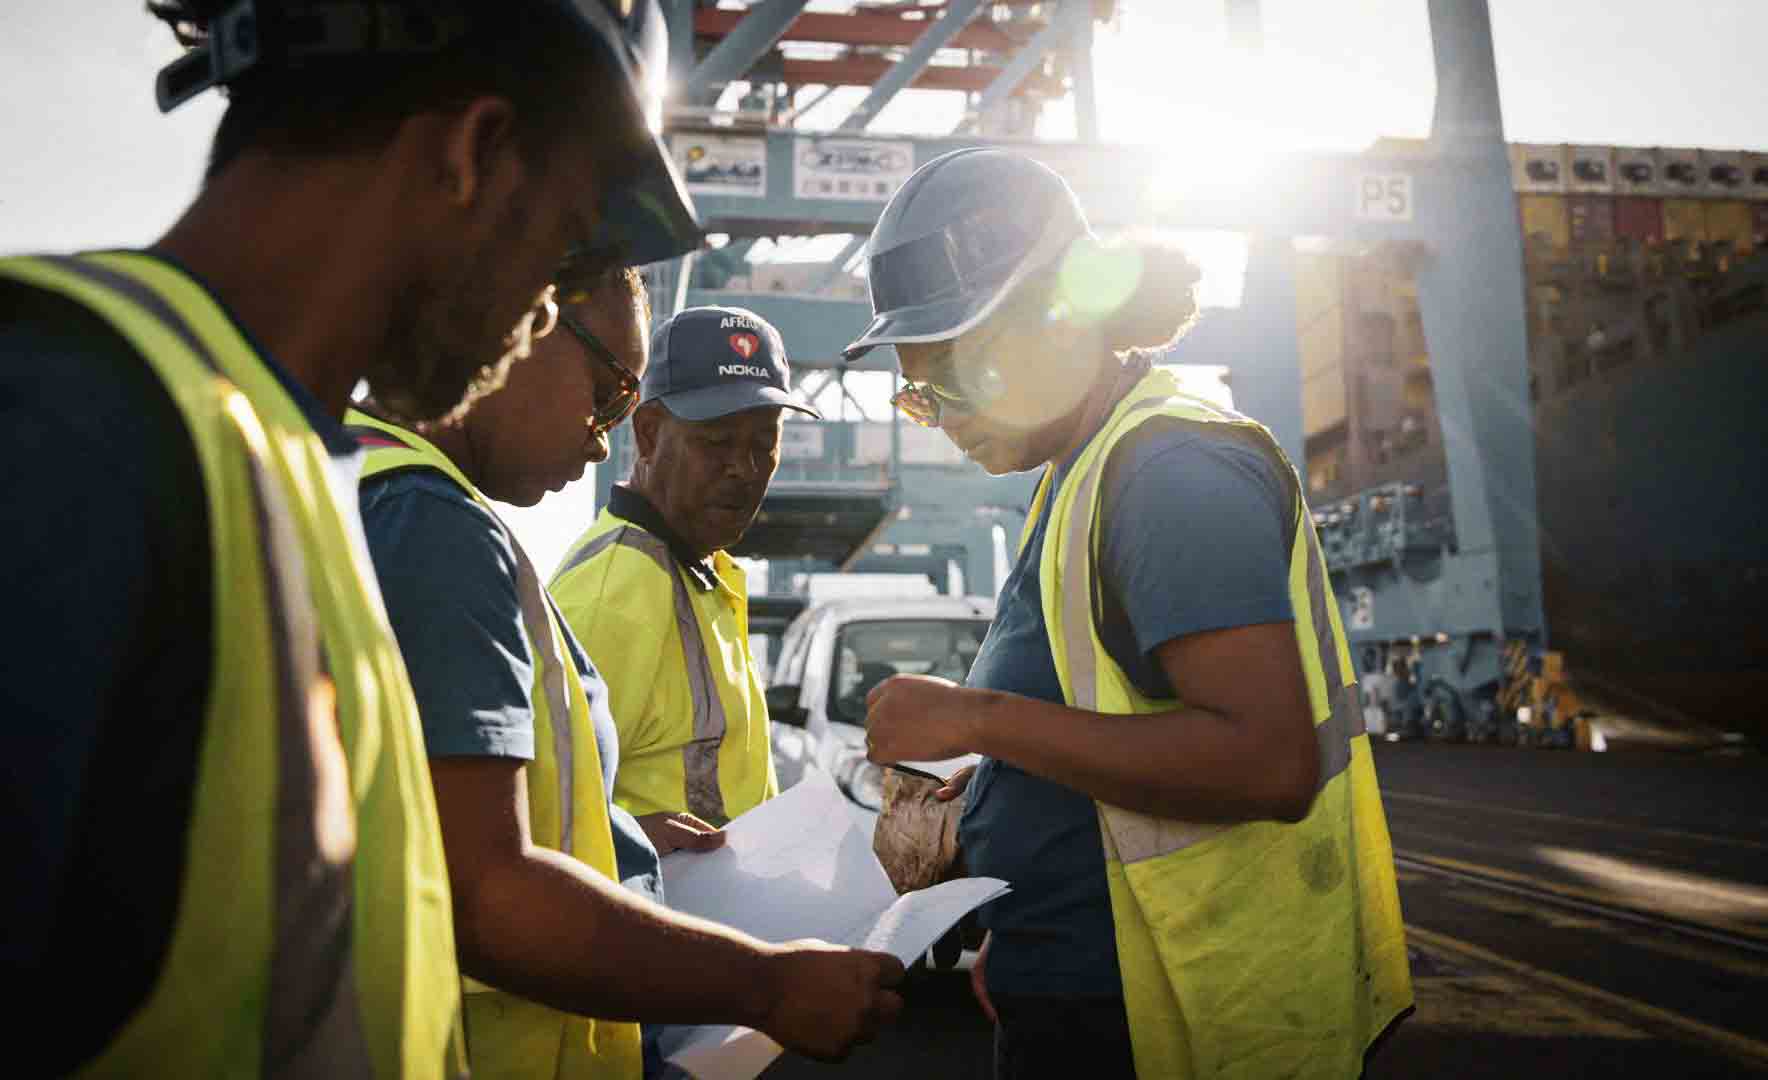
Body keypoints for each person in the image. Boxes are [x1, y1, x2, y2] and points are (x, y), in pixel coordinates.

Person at [0, 2, 697, 1074]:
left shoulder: (288, 462)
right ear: (473, 152)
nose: (537, 318)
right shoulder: (63, 426)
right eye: (561, 250)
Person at [849, 148, 1413, 1079]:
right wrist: (1004, 831)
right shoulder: (1084, 470)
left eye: (942, 383)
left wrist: (975, 718)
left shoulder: (1168, 473)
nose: (937, 416)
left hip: (1178, 1014)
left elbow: (1267, 763)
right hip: (1094, 989)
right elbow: (1114, 727)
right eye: (916, 396)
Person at [350, 272, 903, 1078]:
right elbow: (485, 887)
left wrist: (627, 834)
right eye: (608, 394)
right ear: (521, 324)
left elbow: (468, 814)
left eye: (764, 446)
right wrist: (764, 986)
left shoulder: (365, 486)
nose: (600, 438)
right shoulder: (447, 534)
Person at [551, 306, 819, 826]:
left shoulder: (701, 573)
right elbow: (543, 819)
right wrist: (634, 845)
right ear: (647, 434)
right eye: (716, 442)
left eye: (764, 444)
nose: (743, 468)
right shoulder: (614, 599)